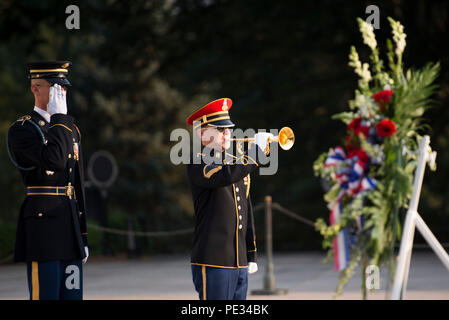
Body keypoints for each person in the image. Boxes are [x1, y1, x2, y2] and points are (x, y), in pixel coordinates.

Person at [6, 61, 89, 300]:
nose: (60, 94)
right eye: (54, 88)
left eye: (62, 89)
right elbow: (54, 161)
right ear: (35, 88)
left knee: (72, 297)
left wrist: (82, 235)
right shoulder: (24, 129)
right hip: (43, 229)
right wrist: (60, 119)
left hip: (69, 227)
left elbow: (77, 183)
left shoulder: (69, 129)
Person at [185, 98, 272, 300]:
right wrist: (255, 152)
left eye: (228, 130)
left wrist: (250, 253)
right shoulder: (198, 161)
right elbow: (225, 175)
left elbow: (246, 209)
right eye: (220, 130)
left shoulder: (235, 165)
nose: (227, 134)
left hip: (238, 261)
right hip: (214, 260)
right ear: (202, 133)